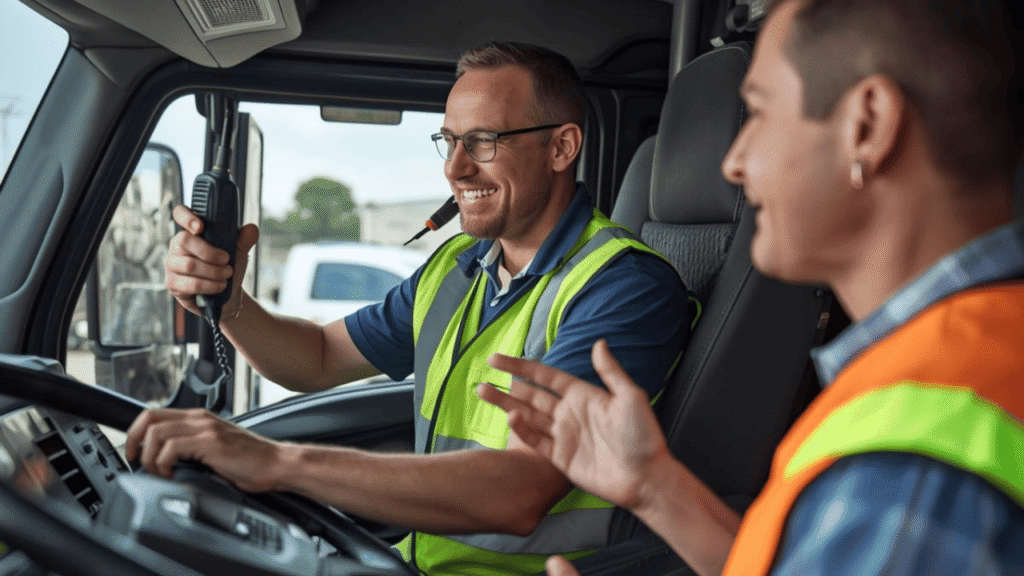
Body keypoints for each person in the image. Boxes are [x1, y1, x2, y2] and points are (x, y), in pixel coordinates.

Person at [479, 1, 1024, 575]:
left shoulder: (914, 450)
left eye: (759, 114)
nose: (735, 163)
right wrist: (655, 487)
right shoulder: (973, 360)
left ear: (868, 125)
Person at [127, 41, 690, 575]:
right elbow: (318, 358)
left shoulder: (624, 287)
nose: (455, 169)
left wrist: (275, 464)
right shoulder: (458, 268)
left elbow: (517, 492)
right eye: (450, 142)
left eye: (485, 140)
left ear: (562, 148)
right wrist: (229, 302)